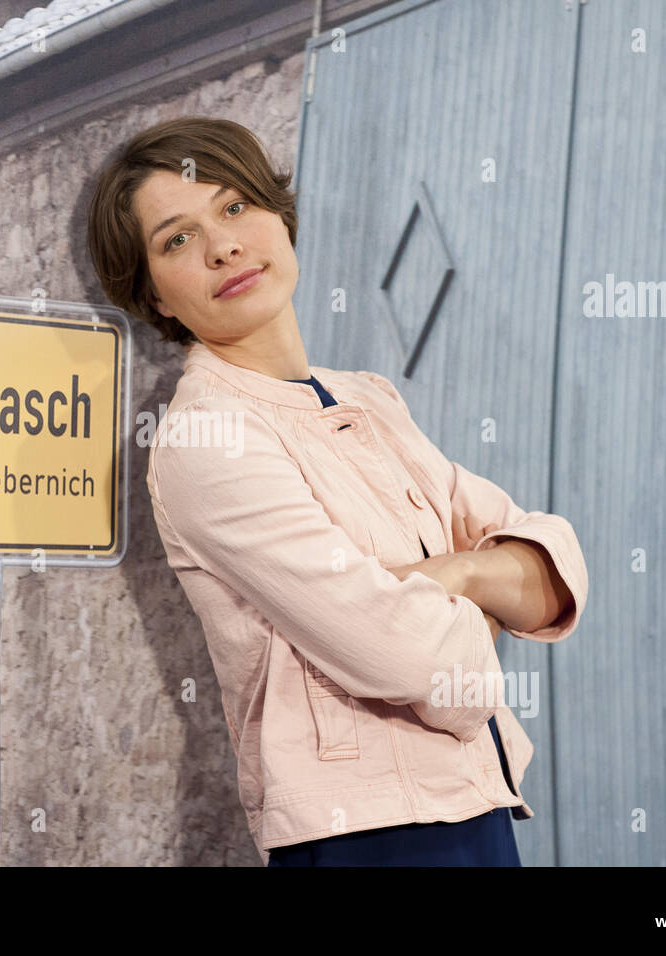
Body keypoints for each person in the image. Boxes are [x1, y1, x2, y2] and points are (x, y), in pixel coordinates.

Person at [86, 116, 588, 866]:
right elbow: (418, 665)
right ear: (154, 294)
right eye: (177, 240)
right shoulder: (208, 440)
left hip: (479, 801)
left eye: (233, 207)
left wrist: (461, 574)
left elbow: (554, 569)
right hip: (368, 836)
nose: (223, 245)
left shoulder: (368, 398)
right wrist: (478, 601)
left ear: (279, 217)